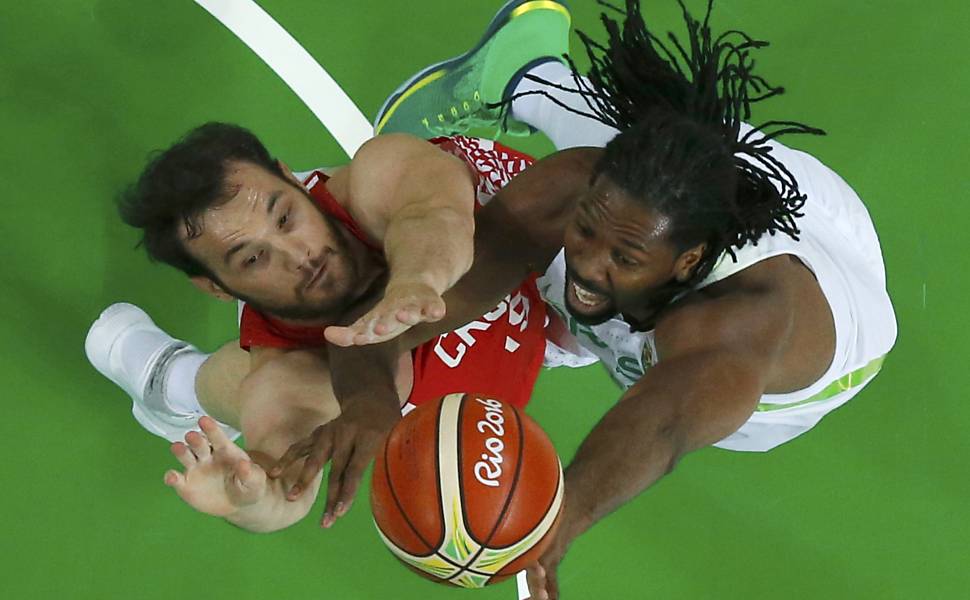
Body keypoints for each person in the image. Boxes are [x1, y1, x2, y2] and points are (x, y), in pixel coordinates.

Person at [281, 1, 897, 597]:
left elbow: (660, 426)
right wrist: (364, 402)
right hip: (756, 216)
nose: (585, 261)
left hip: (823, 322)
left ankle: (537, 85)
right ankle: (524, 70)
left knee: (606, 268)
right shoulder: (582, 189)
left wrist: (557, 521)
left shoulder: (740, 327)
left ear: (688, 262)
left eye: (623, 258)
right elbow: (400, 317)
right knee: (656, 152)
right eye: (584, 232)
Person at [85, 116, 596, 529]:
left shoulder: (379, 174)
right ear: (215, 287)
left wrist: (415, 282)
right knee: (252, 386)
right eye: (253, 259)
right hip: (496, 339)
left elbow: (437, 219)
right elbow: (284, 476)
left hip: (534, 264)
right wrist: (250, 500)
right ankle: (173, 380)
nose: (300, 254)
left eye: (285, 217)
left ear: (292, 178)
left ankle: (524, 92)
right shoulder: (291, 376)